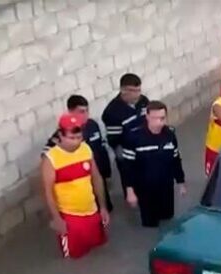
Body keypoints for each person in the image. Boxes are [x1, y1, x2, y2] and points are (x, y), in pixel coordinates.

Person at [41, 113, 110, 259]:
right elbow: (48, 192)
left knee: (97, 250)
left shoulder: (85, 149)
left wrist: (102, 207)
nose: (76, 142)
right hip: (70, 216)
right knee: (74, 256)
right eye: (71, 138)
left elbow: (96, 178)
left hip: (91, 210)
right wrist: (57, 219)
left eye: (79, 138)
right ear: (60, 135)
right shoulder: (51, 159)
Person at [43, 95, 114, 212]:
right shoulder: (62, 135)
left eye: (87, 110)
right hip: (76, 186)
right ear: (70, 112)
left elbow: (101, 149)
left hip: (96, 177)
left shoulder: (92, 125)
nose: (85, 114)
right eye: (81, 111)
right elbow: (48, 155)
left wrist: (107, 172)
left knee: (103, 212)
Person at [122, 101, 187, 227]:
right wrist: (130, 191)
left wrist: (181, 182)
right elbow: (127, 168)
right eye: (154, 118)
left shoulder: (169, 134)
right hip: (145, 189)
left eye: (162, 118)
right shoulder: (133, 137)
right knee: (150, 223)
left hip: (166, 186)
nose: (159, 122)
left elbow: (175, 159)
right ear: (147, 116)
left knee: (167, 217)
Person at [101, 73, 149, 198]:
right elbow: (115, 140)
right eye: (133, 91)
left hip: (145, 146)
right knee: (130, 176)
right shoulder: (112, 112)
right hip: (127, 150)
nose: (137, 94)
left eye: (139, 90)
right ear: (123, 90)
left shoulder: (143, 101)